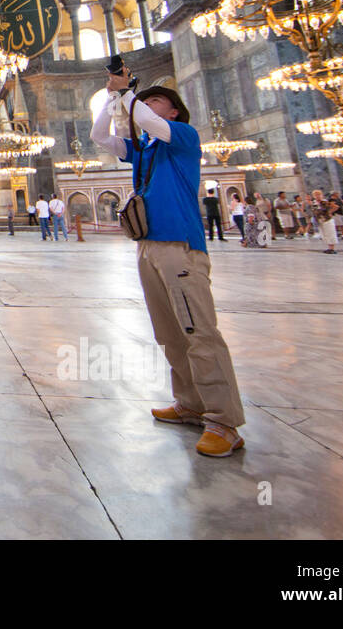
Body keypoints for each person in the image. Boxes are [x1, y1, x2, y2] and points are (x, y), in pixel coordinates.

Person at [91, 69, 246, 458]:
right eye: (145, 100)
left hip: (180, 246)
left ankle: (224, 422)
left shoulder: (183, 139)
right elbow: (99, 136)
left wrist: (127, 94)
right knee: (170, 332)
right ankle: (190, 403)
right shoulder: (145, 151)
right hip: (148, 247)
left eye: (155, 100)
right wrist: (112, 99)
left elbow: (143, 118)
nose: (145, 105)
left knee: (199, 332)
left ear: (174, 112)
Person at [311, 190, 339, 254]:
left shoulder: (325, 202)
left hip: (327, 219)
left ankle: (332, 248)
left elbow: (336, 206)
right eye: (315, 195)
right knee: (324, 234)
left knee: (330, 233)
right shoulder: (314, 203)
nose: (317, 196)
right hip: (320, 220)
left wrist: (330, 212)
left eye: (318, 194)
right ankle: (329, 247)